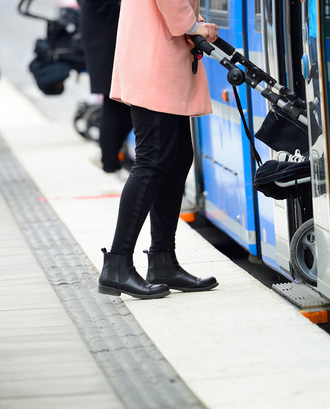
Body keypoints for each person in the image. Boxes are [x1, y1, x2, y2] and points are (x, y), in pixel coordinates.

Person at [97, 0, 219, 299]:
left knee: (176, 159)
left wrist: (197, 23)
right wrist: (193, 26)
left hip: (165, 57)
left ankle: (163, 260)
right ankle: (117, 264)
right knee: (153, 162)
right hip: (154, 61)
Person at [79, 0, 132, 181]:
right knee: (115, 103)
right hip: (106, 36)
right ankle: (108, 163)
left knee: (119, 103)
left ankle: (108, 159)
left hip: (104, 32)